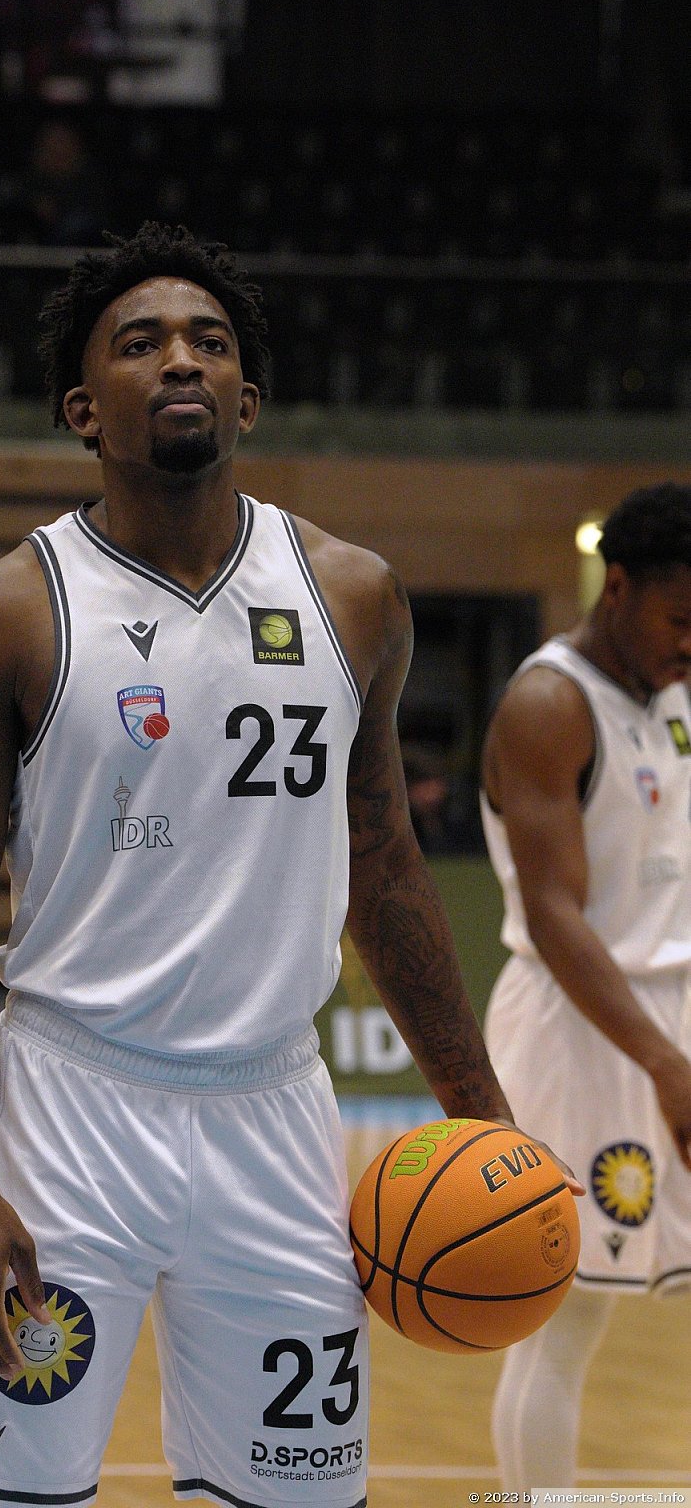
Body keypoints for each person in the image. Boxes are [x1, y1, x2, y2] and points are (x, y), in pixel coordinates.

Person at [0, 221, 574, 1508]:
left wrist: (479, 1112)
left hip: (274, 1115)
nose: (179, 360)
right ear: (81, 409)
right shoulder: (3, 611)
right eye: (138, 342)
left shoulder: (353, 595)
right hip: (67, 1110)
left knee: (299, 1495)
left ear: (246, 400)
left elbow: (382, 864)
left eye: (207, 342)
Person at [481, 481, 691, 1489]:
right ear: (617, 588)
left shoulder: (672, 693)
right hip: (579, 1027)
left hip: (666, 1015)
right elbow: (554, 916)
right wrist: (662, 1062)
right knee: (561, 1317)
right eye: (679, 618)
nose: (690, 643)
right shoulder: (548, 703)